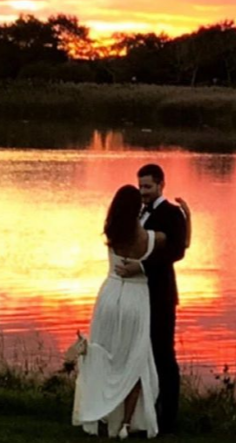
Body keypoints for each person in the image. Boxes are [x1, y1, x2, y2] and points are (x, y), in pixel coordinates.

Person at [72, 185, 166, 439]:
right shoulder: (152, 238)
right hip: (136, 299)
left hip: (110, 296)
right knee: (134, 361)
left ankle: (101, 416)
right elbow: (180, 244)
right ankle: (124, 425)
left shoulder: (112, 234)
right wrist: (187, 218)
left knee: (103, 355)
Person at [115, 164, 189, 434]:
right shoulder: (138, 212)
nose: (143, 192)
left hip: (160, 294)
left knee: (163, 356)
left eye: (147, 187)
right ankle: (140, 416)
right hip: (136, 295)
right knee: (136, 354)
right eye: (140, 187)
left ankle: (167, 418)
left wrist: (142, 267)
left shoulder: (171, 214)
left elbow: (178, 251)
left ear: (161, 185)